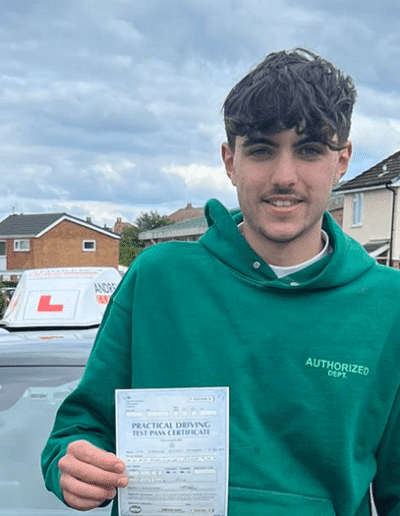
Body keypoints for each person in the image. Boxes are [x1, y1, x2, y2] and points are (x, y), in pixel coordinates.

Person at [42, 49, 400, 515]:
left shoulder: (389, 306)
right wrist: (71, 465)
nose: (284, 177)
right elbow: (79, 429)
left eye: (310, 150)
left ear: (342, 160)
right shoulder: (158, 280)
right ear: (230, 160)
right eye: (261, 150)